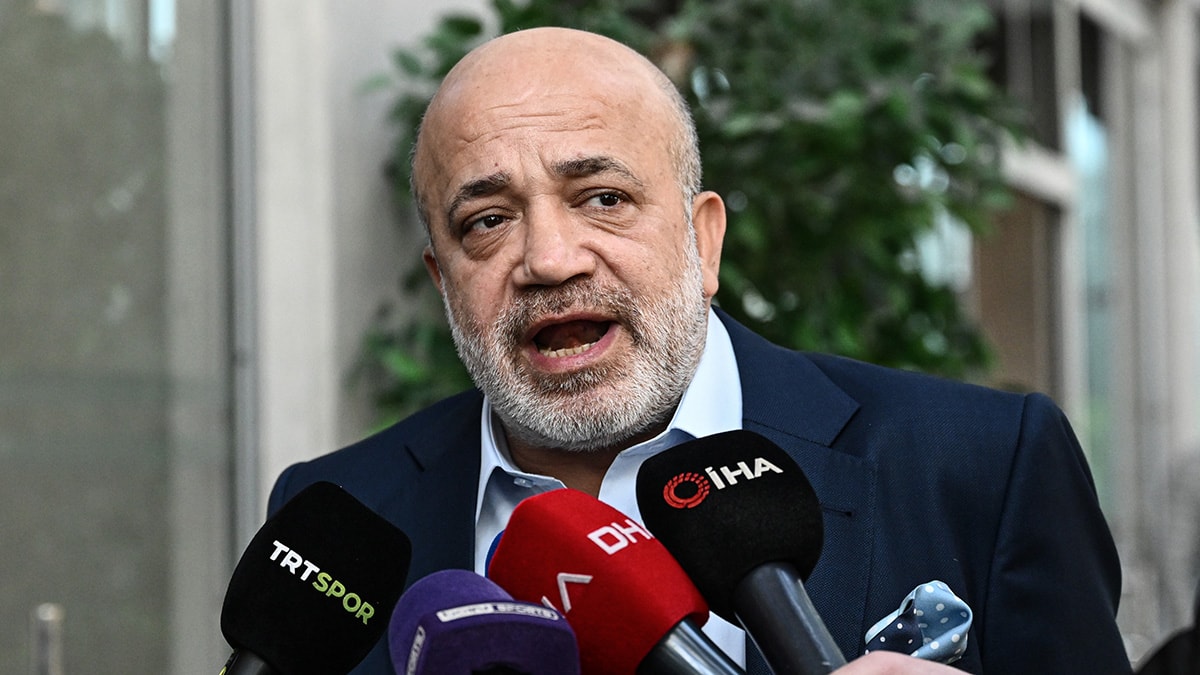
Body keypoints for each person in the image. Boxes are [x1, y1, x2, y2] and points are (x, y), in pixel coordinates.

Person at [269, 26, 1131, 674]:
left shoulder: (981, 467)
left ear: (704, 240)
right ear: (443, 279)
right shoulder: (337, 519)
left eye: (602, 198)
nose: (550, 259)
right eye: (487, 220)